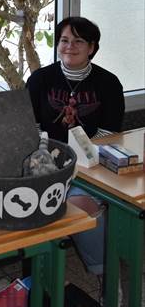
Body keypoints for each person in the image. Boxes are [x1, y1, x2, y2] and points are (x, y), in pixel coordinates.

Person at [26, 16, 125, 276]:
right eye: (64, 40)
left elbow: (109, 134)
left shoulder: (108, 83)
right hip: (45, 165)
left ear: (92, 47)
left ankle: (107, 278)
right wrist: (47, 161)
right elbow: (31, 128)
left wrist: (78, 163)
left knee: (80, 204)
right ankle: (41, 283)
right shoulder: (39, 80)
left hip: (92, 167)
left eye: (78, 41)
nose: (69, 46)